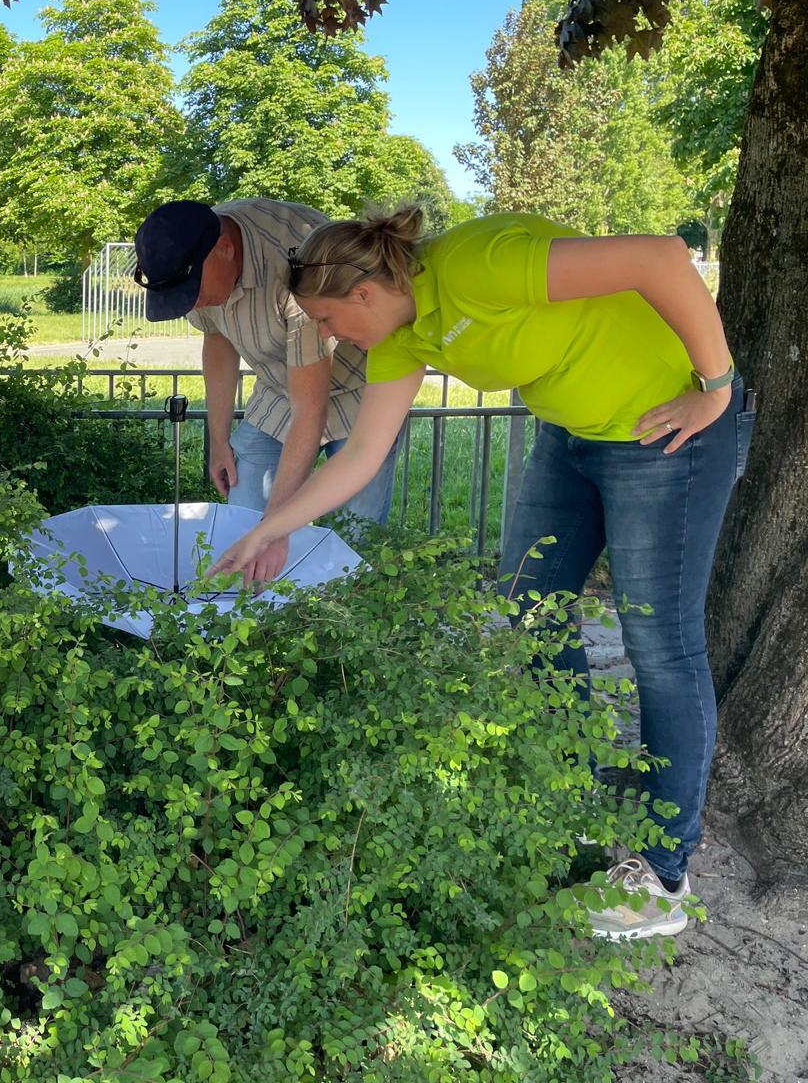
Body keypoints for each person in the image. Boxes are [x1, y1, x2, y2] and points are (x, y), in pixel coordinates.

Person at [209, 206, 755, 940]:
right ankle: (573, 804)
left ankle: (663, 876)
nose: (330, 337)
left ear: (364, 294)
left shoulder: (473, 264)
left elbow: (659, 256)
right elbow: (362, 456)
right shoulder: (402, 338)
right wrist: (266, 530)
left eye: (329, 319)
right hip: (573, 435)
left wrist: (715, 386)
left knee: (660, 645)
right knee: (531, 603)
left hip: (667, 432)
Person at [133, 199, 400, 579]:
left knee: (356, 537)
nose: (192, 302)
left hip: (359, 395)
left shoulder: (294, 261)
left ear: (224, 249)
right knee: (243, 520)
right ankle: (251, 620)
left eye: (193, 290)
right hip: (277, 394)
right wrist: (219, 439)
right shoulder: (190, 257)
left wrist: (276, 526)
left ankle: (345, 616)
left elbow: (311, 409)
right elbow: (218, 342)